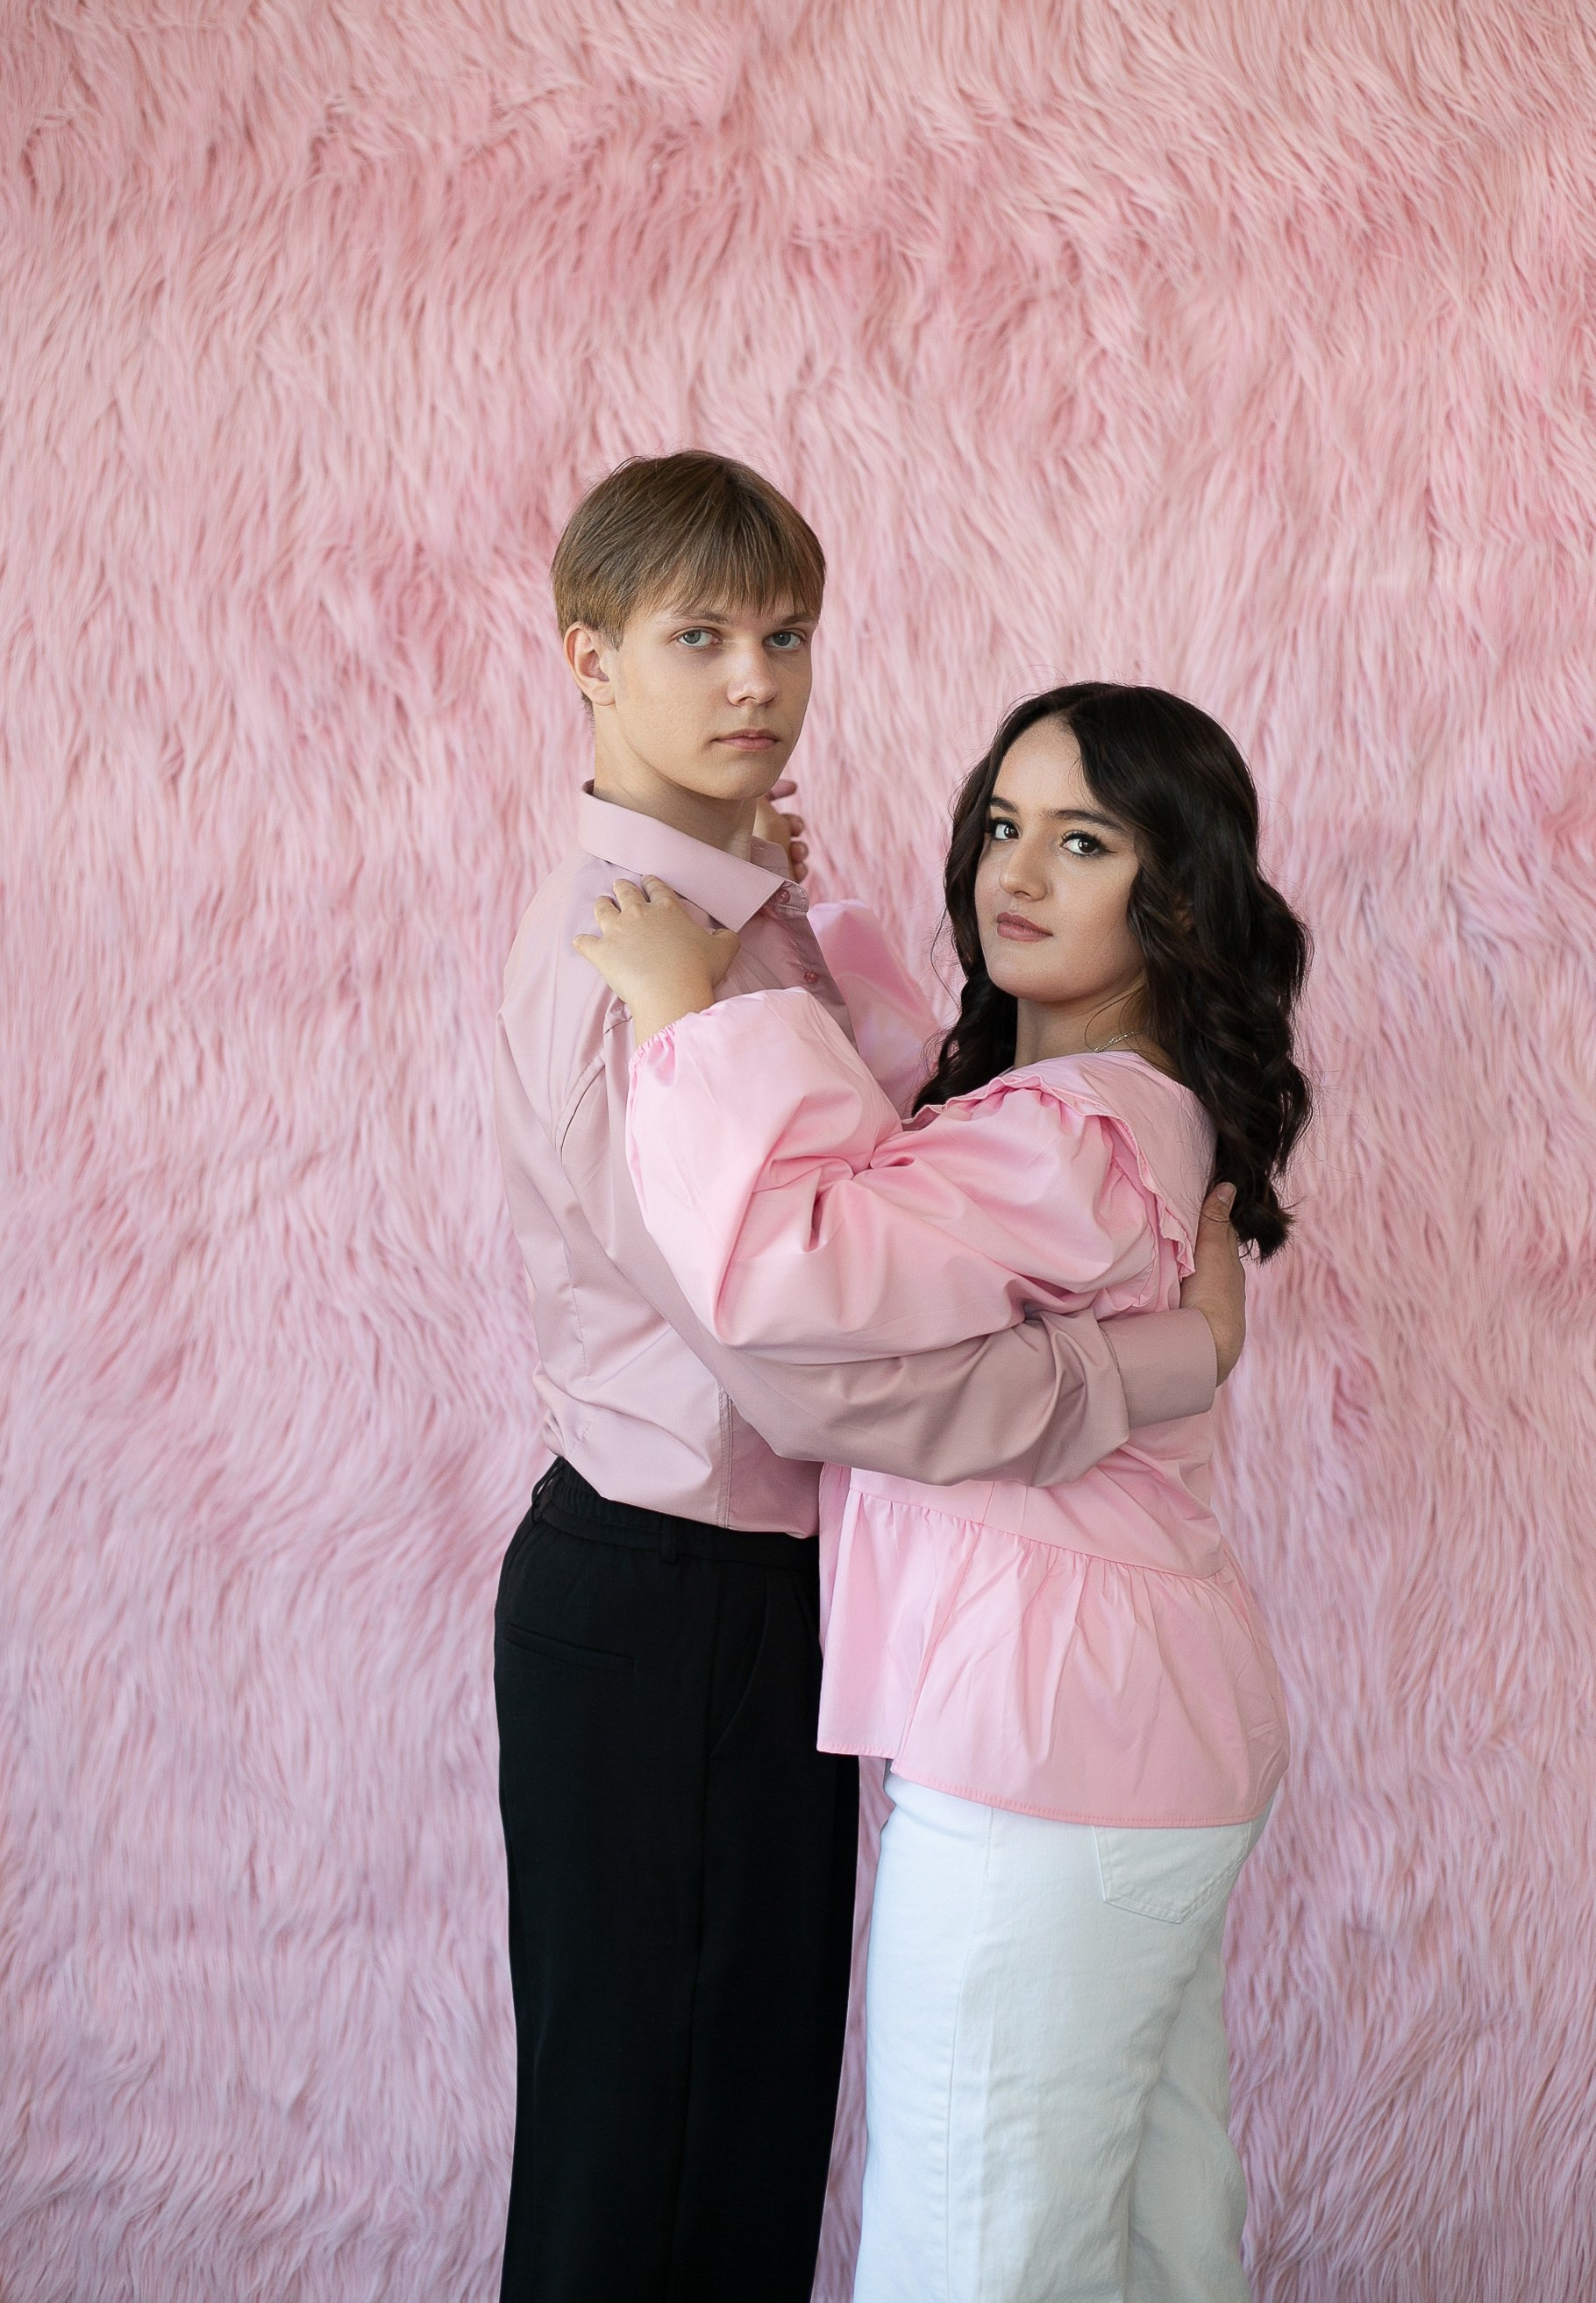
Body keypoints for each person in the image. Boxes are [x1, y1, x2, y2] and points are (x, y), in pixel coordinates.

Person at [494, 456, 1248, 2303]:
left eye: (786, 634)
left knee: (736, 2159)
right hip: (673, 1593)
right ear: (588, 659)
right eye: (698, 637)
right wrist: (1172, 1356)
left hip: (769, 1601)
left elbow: (885, 1197)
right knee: (646, 2180)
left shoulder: (752, 915)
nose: (756, 679)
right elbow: (806, 1376)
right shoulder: (637, 959)